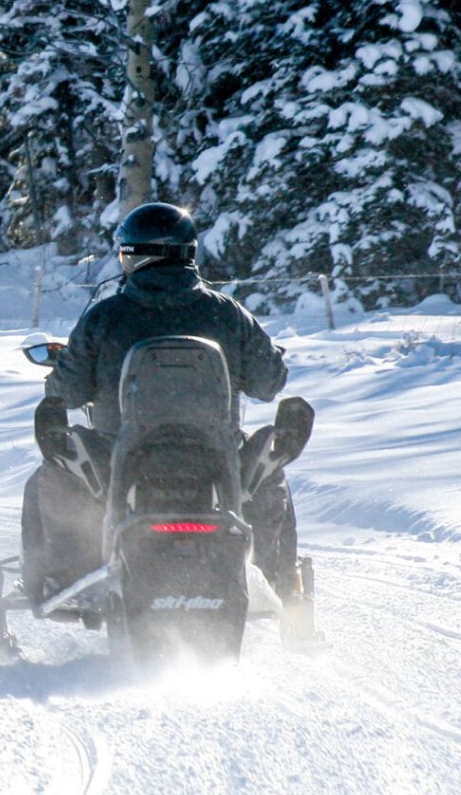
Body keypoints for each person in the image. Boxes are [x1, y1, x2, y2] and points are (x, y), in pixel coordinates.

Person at [24, 201, 297, 600]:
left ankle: (61, 579)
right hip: (214, 453)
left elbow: (68, 392)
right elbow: (269, 383)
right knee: (271, 476)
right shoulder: (229, 314)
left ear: (134, 254)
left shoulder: (105, 316)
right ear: (189, 252)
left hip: (119, 451)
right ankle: (277, 585)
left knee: (50, 476)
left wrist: (62, 373)